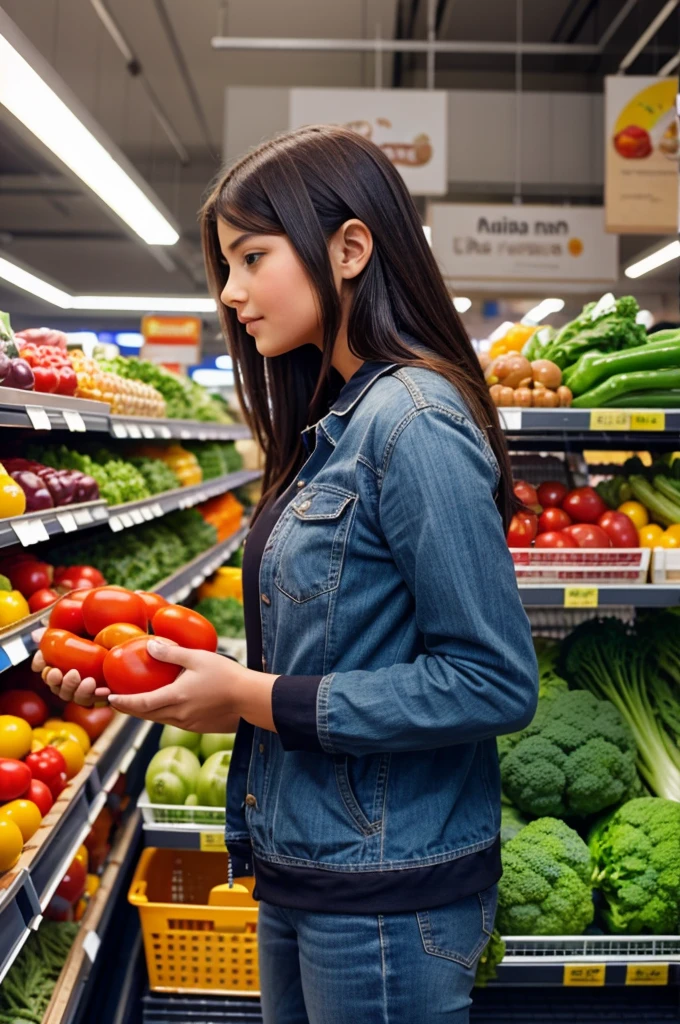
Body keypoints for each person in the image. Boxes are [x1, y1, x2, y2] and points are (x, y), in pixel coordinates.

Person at [32, 125, 538, 1024]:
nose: (230, 293)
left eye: (250, 256)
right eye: (226, 264)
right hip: (308, 867)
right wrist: (174, 673)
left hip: (387, 897)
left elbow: (493, 682)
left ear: (350, 248)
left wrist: (256, 697)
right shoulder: (334, 418)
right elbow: (336, 648)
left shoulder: (412, 420)